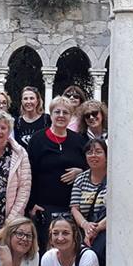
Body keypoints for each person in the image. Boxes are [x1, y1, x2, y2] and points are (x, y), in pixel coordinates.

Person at [25, 96, 88, 250]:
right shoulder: (37, 139)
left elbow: (90, 167)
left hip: (73, 208)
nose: (61, 115)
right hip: (44, 207)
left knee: (71, 251)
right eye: (57, 112)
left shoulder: (79, 141)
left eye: (65, 112)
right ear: (51, 114)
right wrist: (31, 204)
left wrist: (80, 172)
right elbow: (29, 172)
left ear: (71, 116)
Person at [70, 139, 108, 266]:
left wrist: (96, 228)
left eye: (98, 152)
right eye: (89, 152)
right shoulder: (81, 179)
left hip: (106, 232)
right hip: (84, 231)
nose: (93, 156)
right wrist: (86, 225)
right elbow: (74, 208)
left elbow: (119, 210)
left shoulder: (114, 178)